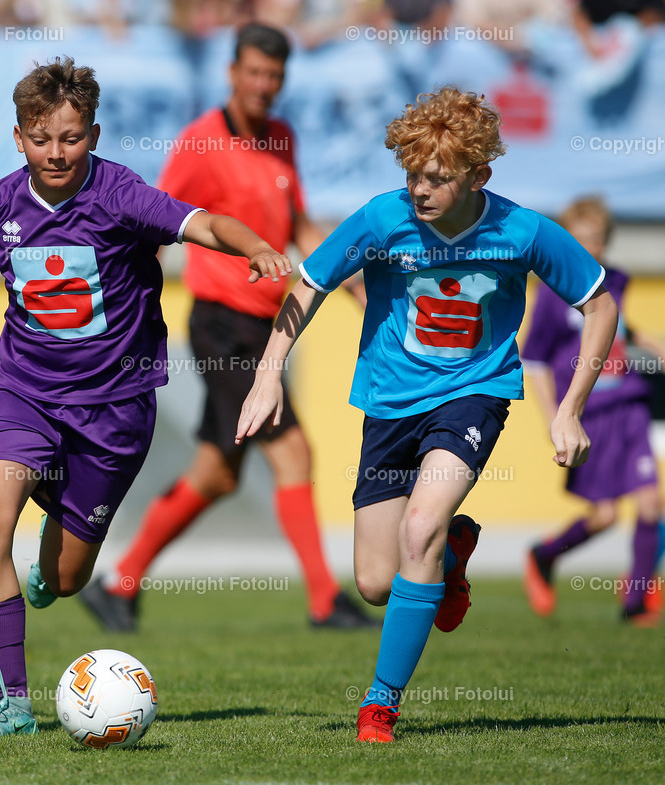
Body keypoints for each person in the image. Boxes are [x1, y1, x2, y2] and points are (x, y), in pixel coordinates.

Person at [0, 57, 294, 739]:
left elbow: (206, 225)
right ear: (19, 138)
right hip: (23, 394)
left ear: (94, 133)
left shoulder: (122, 195)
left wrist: (256, 246)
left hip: (114, 410)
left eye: (71, 137)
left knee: (65, 578)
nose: (55, 152)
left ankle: (50, 560)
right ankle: (12, 706)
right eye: (40, 138)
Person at [236, 87, 618, 743]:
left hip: (473, 394)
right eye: (413, 173)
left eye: (437, 178)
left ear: (479, 176)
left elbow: (600, 304)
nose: (419, 189)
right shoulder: (383, 219)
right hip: (389, 404)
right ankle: (454, 549)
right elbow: (311, 283)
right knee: (374, 581)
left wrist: (571, 409)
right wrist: (268, 372)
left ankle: (380, 704)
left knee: (419, 528)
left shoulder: (521, 230)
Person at [78, 22, 377, 634]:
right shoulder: (200, 141)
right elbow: (156, 223)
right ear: (233, 72)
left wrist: (356, 286)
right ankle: (325, 601)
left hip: (265, 327)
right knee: (294, 453)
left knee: (216, 475)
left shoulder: (282, 137)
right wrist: (121, 314)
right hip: (220, 326)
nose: (263, 85)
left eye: (274, 76)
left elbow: (298, 223)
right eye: (254, 73)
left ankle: (119, 582)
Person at [522, 195, 664, 625]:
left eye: (598, 239)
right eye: (580, 238)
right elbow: (535, 359)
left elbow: (616, 329)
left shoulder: (616, 280)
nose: (590, 247)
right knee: (604, 516)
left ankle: (635, 603)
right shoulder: (552, 294)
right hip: (590, 413)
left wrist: (650, 345)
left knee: (650, 504)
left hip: (630, 405)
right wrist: (554, 415)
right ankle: (545, 555)